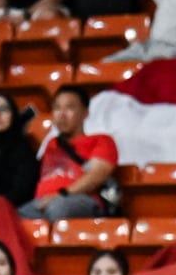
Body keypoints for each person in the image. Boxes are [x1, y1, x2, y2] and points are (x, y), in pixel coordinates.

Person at [23, 86, 119, 222]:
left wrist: (61, 194)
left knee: (58, 208)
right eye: (57, 108)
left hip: (79, 199)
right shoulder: (51, 143)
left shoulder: (102, 140)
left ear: (85, 113)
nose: (61, 114)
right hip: (41, 203)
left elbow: (97, 174)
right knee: (8, 219)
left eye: (69, 108)